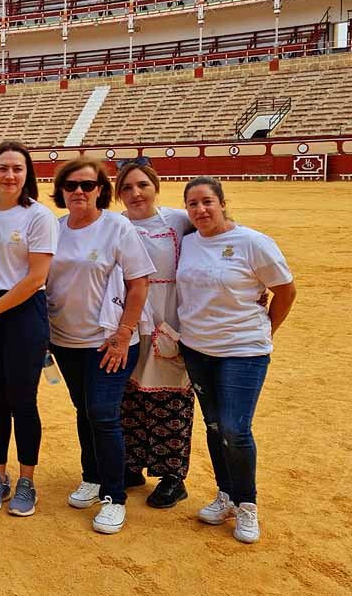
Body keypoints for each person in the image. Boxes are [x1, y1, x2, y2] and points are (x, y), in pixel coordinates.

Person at [177, 176, 296, 544]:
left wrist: (265, 331)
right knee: (214, 426)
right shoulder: (189, 242)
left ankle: (247, 504)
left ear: (223, 203)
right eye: (193, 204)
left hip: (243, 351)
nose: (200, 210)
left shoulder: (252, 242)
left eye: (207, 202)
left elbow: (286, 290)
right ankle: (225, 494)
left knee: (235, 428)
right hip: (197, 348)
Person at [46, 158, 154, 535]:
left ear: (100, 191)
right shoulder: (55, 228)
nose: (79, 191)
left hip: (109, 340)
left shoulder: (117, 227)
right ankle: (91, 477)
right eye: (71, 185)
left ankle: (114, 495)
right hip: (65, 339)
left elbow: (140, 283)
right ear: (61, 190)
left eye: (87, 185)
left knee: (103, 413)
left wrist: (124, 333)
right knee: (83, 410)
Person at [0, 141, 57, 518]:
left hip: (20, 312)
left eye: (18, 168)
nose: (10, 175)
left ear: (27, 174)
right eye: (3, 168)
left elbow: (36, 278)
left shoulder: (38, 216)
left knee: (23, 401)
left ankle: (27, 480)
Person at [114, 160, 195, 509]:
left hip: (168, 318)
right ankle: (131, 465)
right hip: (128, 319)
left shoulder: (179, 221)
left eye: (142, 185)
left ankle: (172, 476)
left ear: (155, 186)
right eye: (128, 188)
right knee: (128, 395)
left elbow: (216, 241)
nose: (136, 193)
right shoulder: (114, 225)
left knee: (170, 397)